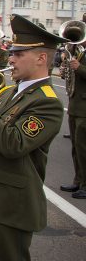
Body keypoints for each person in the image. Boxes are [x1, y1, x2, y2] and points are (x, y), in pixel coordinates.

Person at [0, 14, 67, 260]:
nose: (11, 59)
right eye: (12, 53)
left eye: (19, 54)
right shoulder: (10, 91)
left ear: (41, 58)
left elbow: (12, 143)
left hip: (12, 204)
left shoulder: (47, 102)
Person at [60, 12, 86, 199]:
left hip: (85, 107)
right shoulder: (78, 51)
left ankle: (85, 184)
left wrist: (79, 68)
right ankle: (78, 180)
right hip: (75, 104)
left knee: (84, 147)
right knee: (76, 147)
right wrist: (66, 70)